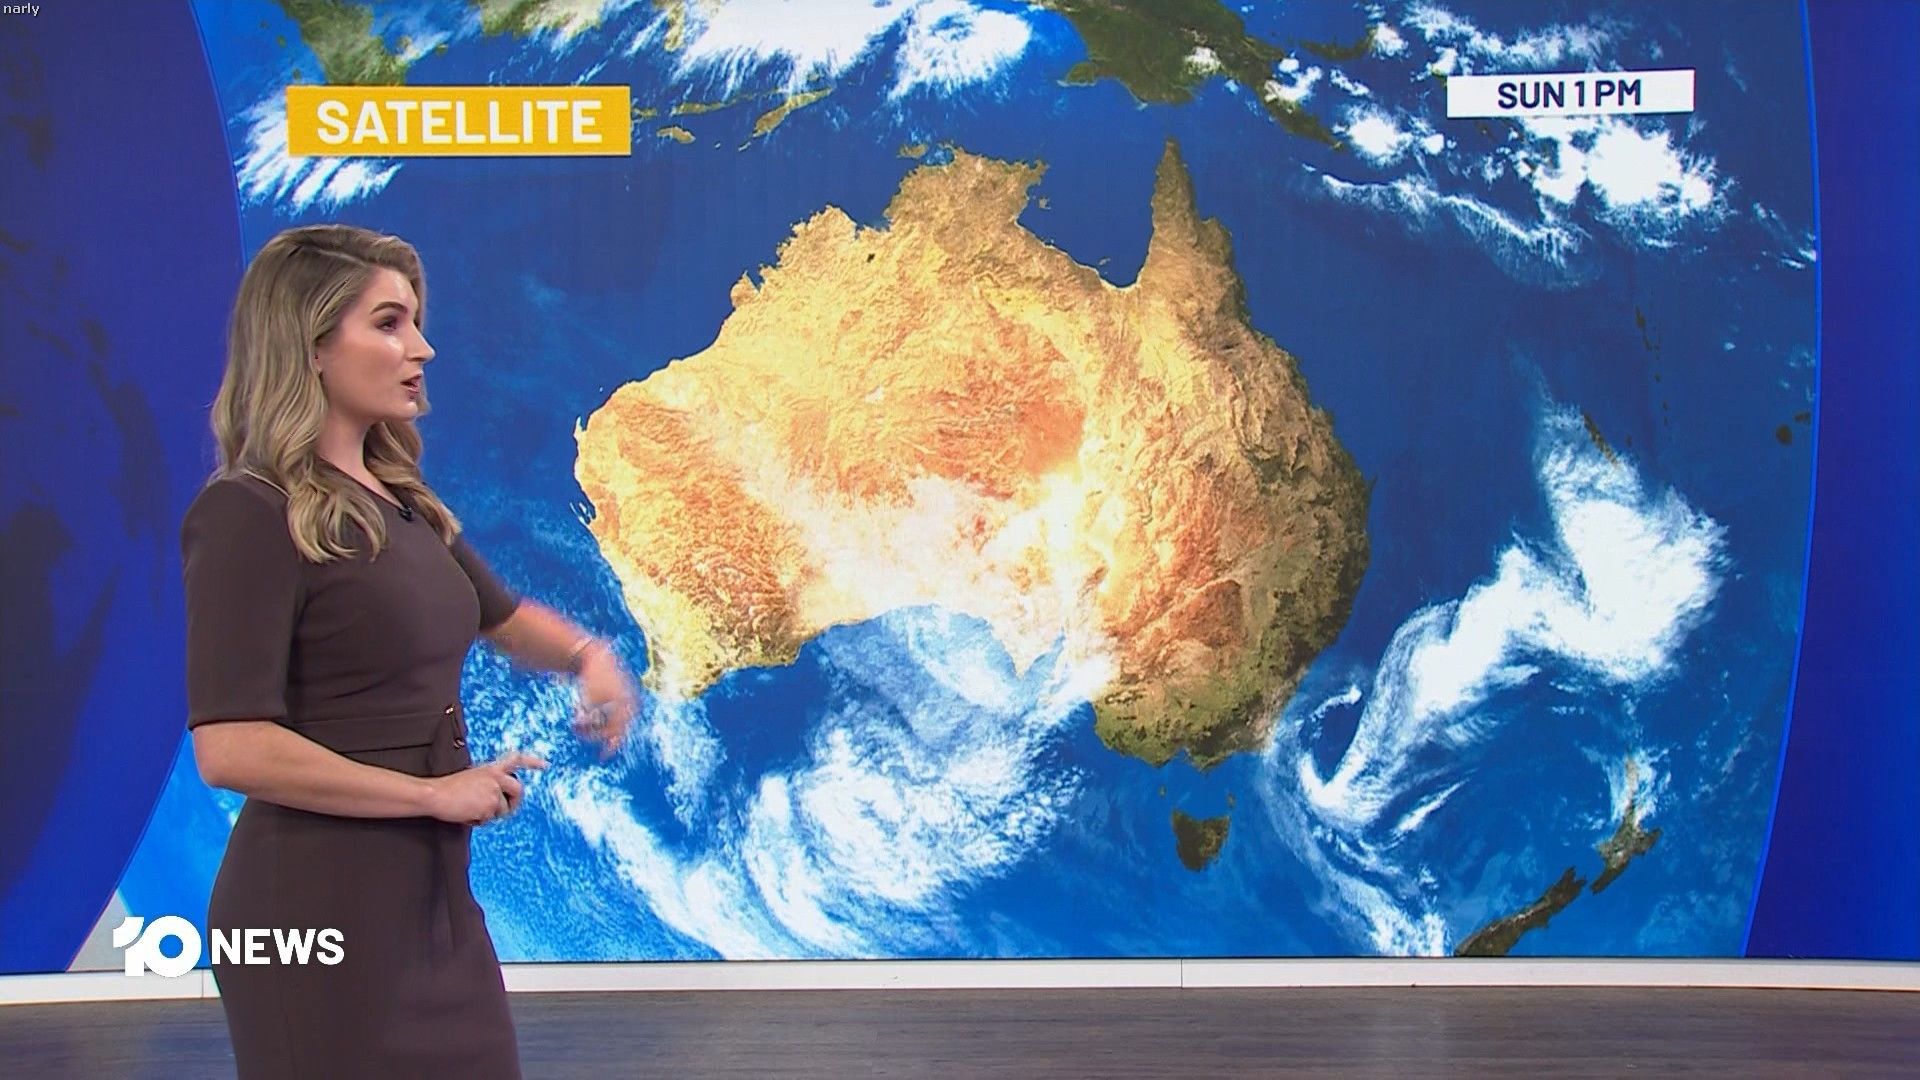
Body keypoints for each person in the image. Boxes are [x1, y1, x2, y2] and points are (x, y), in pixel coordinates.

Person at [180, 223, 638, 1079]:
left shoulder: (402, 505)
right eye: (389, 323)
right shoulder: (247, 512)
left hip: (430, 903)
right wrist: (429, 794)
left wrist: (588, 655)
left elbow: (500, 617)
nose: (421, 348)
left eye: (416, 322)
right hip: (309, 910)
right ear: (311, 345)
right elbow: (230, 747)